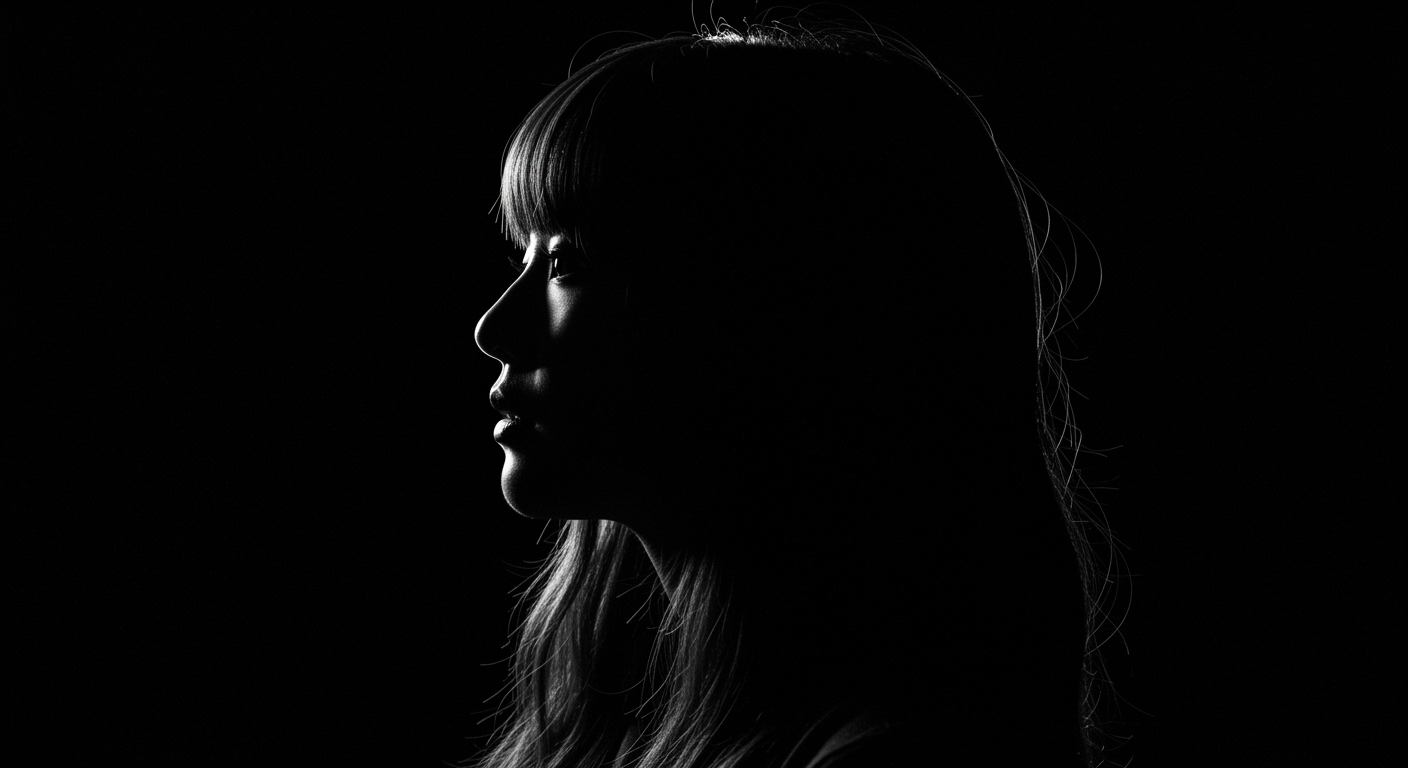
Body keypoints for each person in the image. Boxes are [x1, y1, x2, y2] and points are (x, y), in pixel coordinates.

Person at [473, 12, 1110, 767]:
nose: (494, 327)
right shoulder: (610, 730)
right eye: (527, 255)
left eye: (569, 265)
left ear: (772, 311)